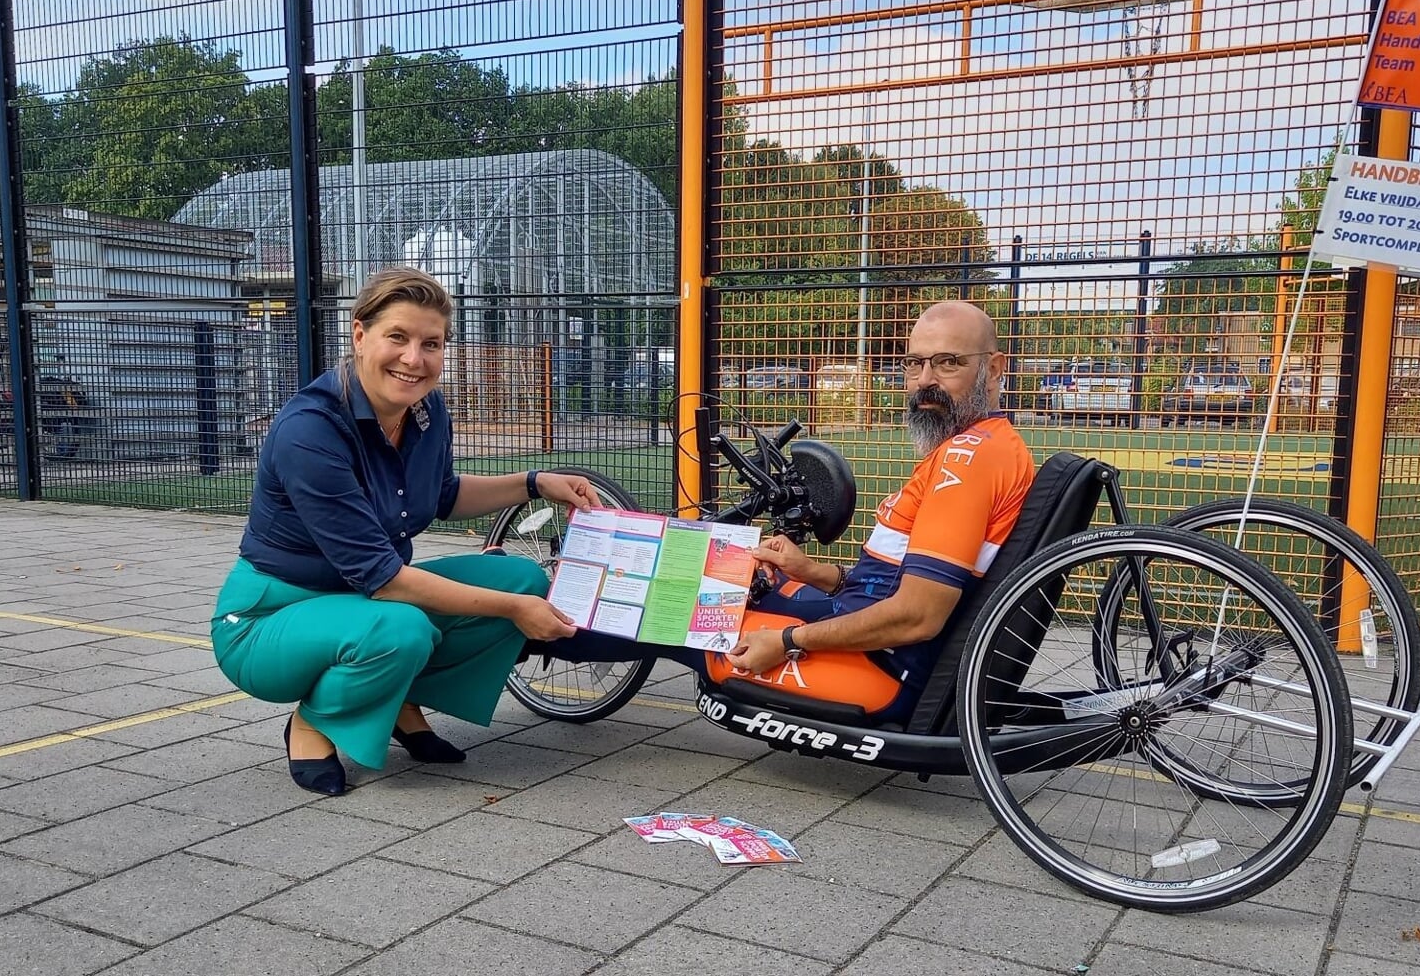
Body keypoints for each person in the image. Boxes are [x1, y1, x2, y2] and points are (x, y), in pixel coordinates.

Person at [538, 300, 1037, 717]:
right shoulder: (986, 445)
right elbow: (899, 585)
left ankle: (530, 627)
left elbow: (915, 617)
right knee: (720, 572)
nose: (924, 380)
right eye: (914, 363)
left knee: (675, 606)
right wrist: (814, 571)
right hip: (870, 631)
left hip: (881, 670)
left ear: (992, 369)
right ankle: (545, 609)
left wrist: (788, 640)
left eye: (947, 362)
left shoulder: (965, 460)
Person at [212, 268, 599, 796]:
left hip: (366, 604)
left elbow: (442, 495)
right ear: (359, 335)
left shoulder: (425, 409)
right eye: (397, 337)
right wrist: (512, 614)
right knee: (402, 627)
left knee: (520, 580)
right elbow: (385, 581)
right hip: (268, 620)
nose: (414, 359)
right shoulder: (310, 430)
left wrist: (535, 483)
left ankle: (397, 699)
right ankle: (313, 723)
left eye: (431, 343)